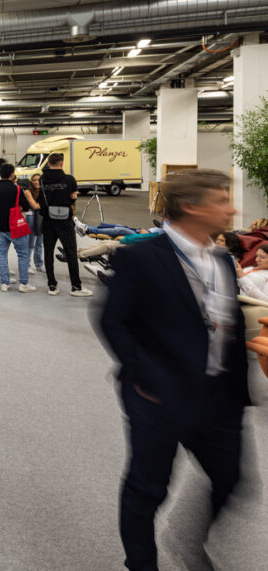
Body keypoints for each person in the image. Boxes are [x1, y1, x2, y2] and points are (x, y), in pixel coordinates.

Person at [98, 169, 250, 571]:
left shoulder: (222, 259)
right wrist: (142, 375)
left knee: (232, 479)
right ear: (191, 207)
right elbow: (113, 320)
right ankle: (142, 564)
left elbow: (226, 325)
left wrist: (238, 391)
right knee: (148, 489)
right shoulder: (141, 256)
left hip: (218, 397)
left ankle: (186, 539)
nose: (232, 209)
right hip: (158, 395)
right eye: (222, 200)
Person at [38, 153, 92, 297]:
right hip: (64, 221)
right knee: (70, 252)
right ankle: (76, 286)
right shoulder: (69, 179)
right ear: (61, 163)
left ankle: (52, 285)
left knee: (48, 252)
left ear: (48, 163)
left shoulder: (43, 179)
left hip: (48, 220)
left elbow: (41, 198)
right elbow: (74, 196)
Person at [0, 163, 39, 292]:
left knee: (2, 253)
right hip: (15, 226)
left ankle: (5, 283)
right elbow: (26, 206)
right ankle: (23, 284)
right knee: (22, 254)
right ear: (12, 174)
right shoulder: (16, 189)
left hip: (0, 226)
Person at [26, 173, 44, 272]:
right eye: (34, 180)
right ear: (31, 182)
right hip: (31, 218)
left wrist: (40, 205)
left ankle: (39, 264)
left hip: (42, 218)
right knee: (30, 243)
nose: (36, 182)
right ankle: (27, 265)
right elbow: (34, 206)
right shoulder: (28, 192)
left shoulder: (44, 191)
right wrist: (44, 205)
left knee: (39, 243)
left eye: (38, 180)